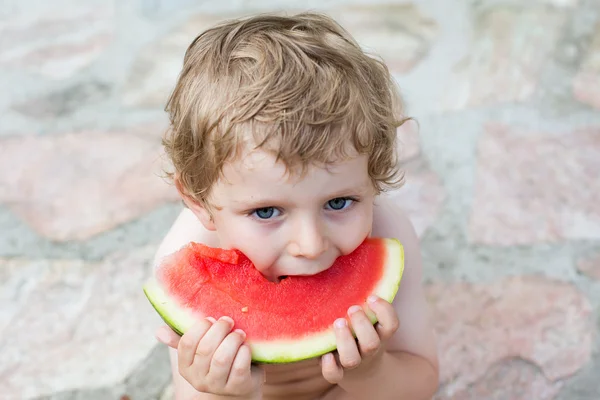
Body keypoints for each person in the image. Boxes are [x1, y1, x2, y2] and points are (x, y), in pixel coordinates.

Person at [152, 11, 439, 400]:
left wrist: (371, 374)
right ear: (198, 201)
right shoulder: (183, 259)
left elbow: (421, 378)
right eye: (266, 212)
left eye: (339, 202)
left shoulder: (391, 233)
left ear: (372, 181)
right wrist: (220, 392)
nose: (310, 244)